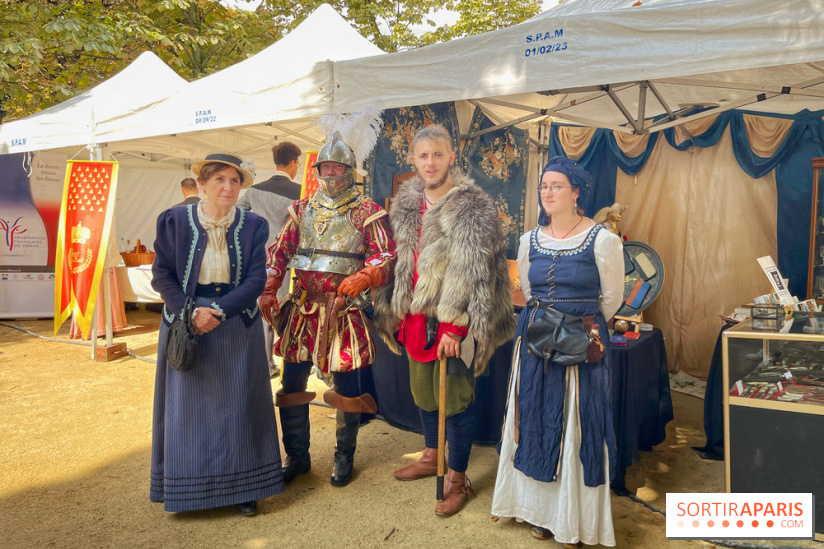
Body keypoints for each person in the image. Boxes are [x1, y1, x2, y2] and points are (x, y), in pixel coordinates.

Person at [372, 124, 515, 517]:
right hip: (416, 319)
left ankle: (456, 478)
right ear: (413, 161)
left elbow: (475, 272)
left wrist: (455, 327)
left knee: (455, 401)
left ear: (452, 156)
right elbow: (398, 261)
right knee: (424, 394)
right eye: (423, 156)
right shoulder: (405, 206)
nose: (430, 162)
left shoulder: (472, 207)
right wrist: (396, 306)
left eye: (438, 154)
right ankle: (432, 455)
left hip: (455, 322)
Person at [490, 157, 624, 547]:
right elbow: (529, 294)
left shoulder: (603, 239)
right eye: (544, 186)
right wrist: (548, 324)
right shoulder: (528, 240)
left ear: (576, 192)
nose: (548, 192)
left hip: (581, 344)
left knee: (575, 426)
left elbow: (611, 299)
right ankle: (539, 512)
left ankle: (572, 519)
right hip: (534, 343)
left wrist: (573, 326)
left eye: (557, 186)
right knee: (532, 418)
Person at [150, 152, 284, 516]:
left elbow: (257, 279)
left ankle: (244, 488)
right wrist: (191, 312)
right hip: (186, 321)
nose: (228, 187)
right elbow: (161, 276)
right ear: (202, 184)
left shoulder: (254, 225)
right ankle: (189, 492)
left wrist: (220, 312)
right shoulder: (174, 220)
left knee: (239, 406)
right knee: (188, 411)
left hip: (236, 323)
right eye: (220, 180)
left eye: (235, 181)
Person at [259, 130, 395, 488]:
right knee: (291, 384)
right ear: (317, 170)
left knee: (348, 388)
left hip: (344, 311)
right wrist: (271, 284)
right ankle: (297, 457)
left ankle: (343, 457)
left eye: (338, 168)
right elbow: (279, 251)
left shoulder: (367, 211)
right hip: (303, 310)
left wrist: (366, 275)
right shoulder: (302, 209)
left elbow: (385, 254)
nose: (331, 174)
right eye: (326, 168)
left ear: (350, 171)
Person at [237, 141, 303, 377]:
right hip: (290, 260)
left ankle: (265, 364)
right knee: (288, 308)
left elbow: (236, 214)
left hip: (260, 259)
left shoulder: (254, 191)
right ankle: (292, 362)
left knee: (263, 309)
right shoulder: (301, 192)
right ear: (293, 163)